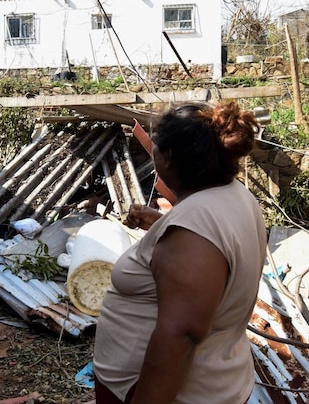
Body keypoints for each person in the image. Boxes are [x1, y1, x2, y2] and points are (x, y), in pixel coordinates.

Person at [93, 100, 267, 404]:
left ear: (169, 158)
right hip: (217, 378)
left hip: (166, 391)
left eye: (156, 145)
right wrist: (162, 226)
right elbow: (214, 256)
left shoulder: (193, 229)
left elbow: (180, 335)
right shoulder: (233, 196)